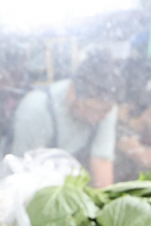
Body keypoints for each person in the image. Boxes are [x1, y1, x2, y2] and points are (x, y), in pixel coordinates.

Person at [9, 54, 122, 188]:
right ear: (72, 92)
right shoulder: (36, 109)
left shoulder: (107, 108)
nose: (99, 118)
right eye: (94, 111)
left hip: (72, 188)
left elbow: (102, 161)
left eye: (105, 111)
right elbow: (20, 174)